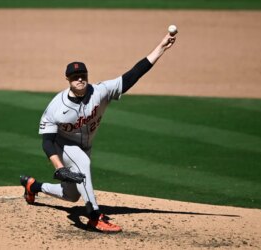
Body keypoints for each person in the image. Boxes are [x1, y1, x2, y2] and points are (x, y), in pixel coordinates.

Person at [20, 31, 177, 233]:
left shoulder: (100, 92)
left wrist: (161, 48)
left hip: (85, 146)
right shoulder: (56, 107)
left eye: (83, 76)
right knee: (83, 164)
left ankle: (33, 186)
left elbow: (134, 74)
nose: (80, 80)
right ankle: (94, 215)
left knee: (72, 196)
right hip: (64, 146)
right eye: (75, 77)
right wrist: (59, 167)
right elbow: (47, 142)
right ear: (67, 79)